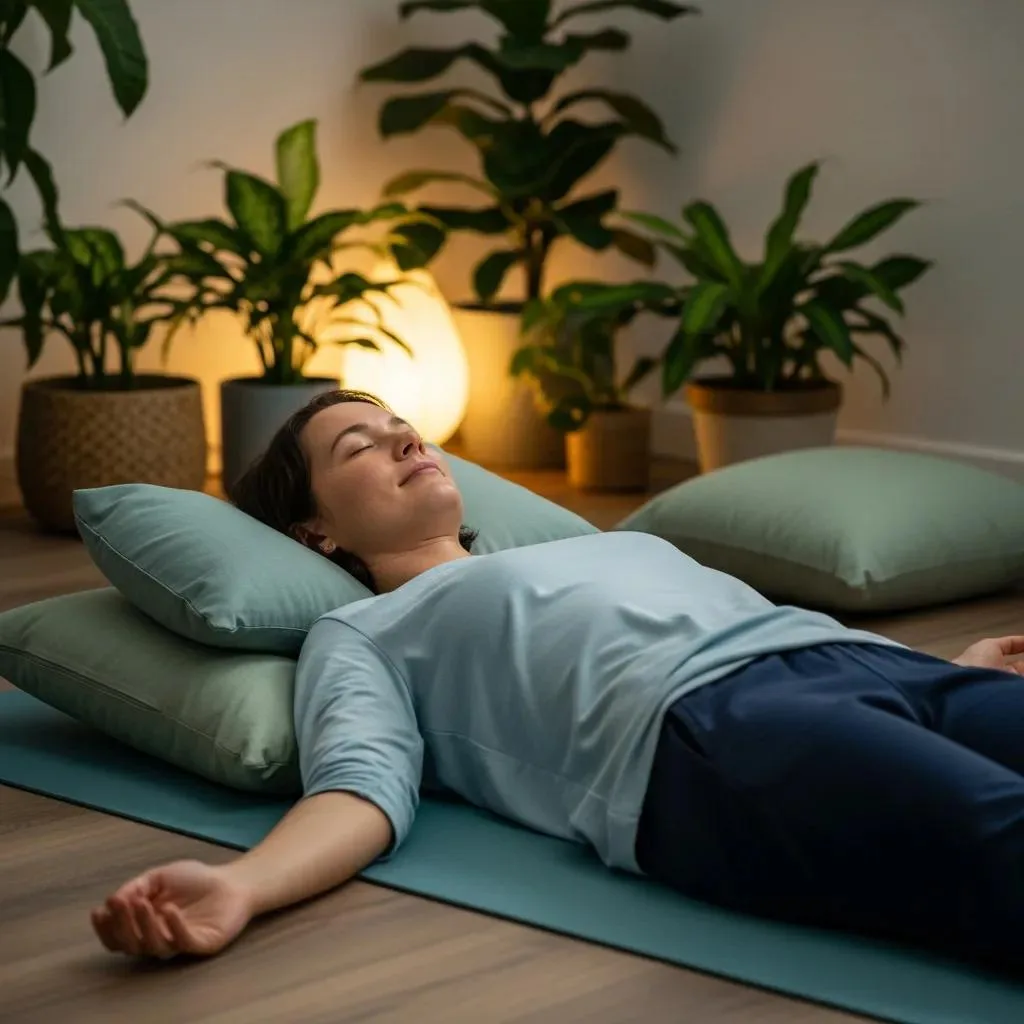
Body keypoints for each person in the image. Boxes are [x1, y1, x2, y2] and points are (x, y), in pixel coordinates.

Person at [90, 389, 1024, 973]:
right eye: (360, 448)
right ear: (315, 533)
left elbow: (747, 619)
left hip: (858, 667)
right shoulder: (366, 630)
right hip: (712, 730)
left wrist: (935, 673)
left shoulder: (605, 545)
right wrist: (243, 886)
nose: (406, 443)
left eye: (402, 429)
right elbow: (360, 785)